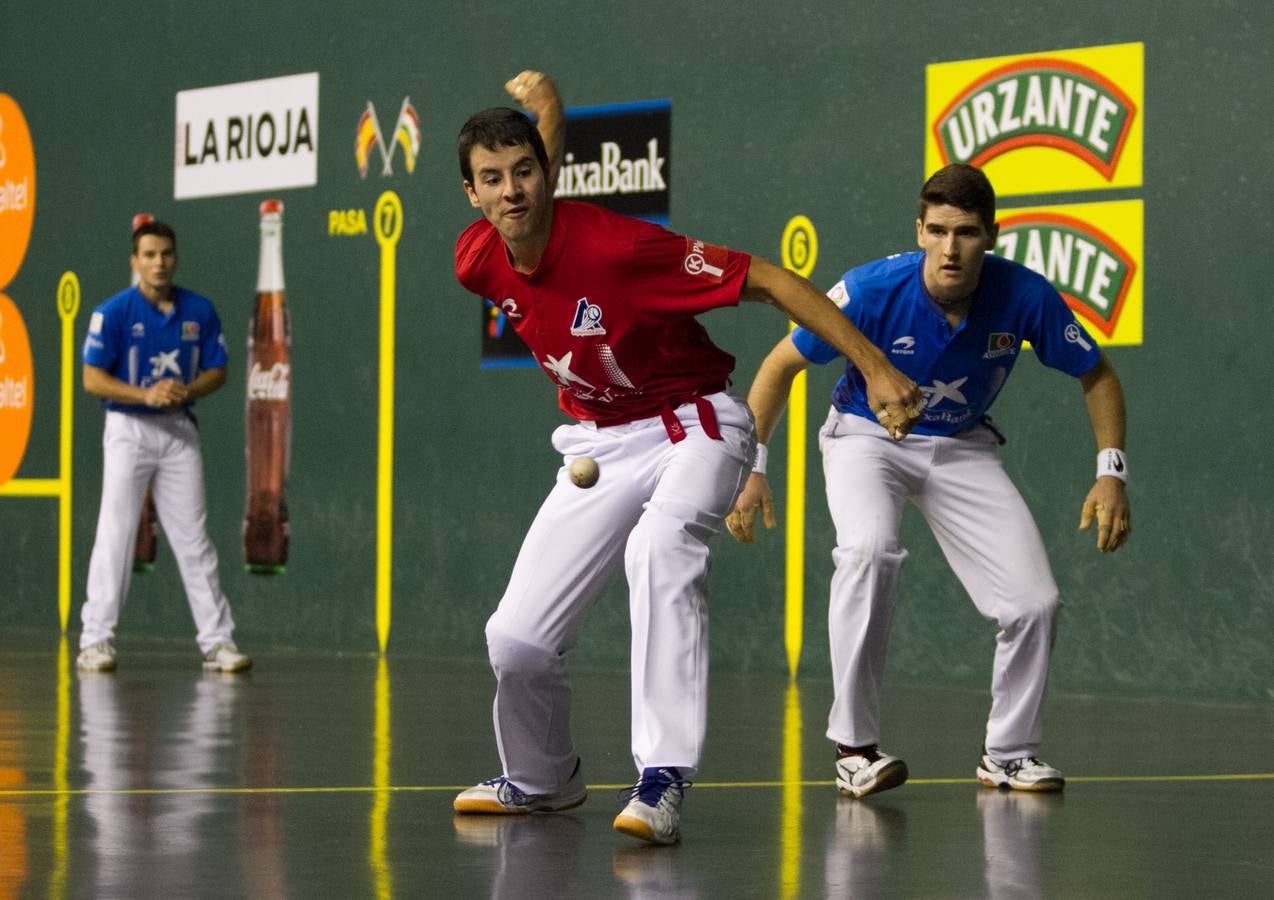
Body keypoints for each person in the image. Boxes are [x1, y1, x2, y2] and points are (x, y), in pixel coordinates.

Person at [450, 71, 922, 845]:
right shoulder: (479, 258)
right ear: (471, 194)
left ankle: (662, 778)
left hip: (692, 422)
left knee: (660, 547)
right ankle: (541, 779)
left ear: (548, 174)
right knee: (515, 640)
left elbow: (766, 279)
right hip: (597, 444)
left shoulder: (620, 246)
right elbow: (527, 199)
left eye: (526, 171)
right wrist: (547, 116)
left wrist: (872, 366)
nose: (513, 192)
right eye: (493, 180)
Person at [727, 163, 1130, 796]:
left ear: (990, 236)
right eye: (937, 230)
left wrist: (1111, 471)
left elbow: (1096, 373)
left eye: (966, 232)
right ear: (919, 231)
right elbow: (778, 368)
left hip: (962, 445)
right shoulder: (868, 291)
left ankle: (1008, 752)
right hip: (866, 437)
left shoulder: (1025, 295)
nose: (950, 248)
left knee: (1034, 602)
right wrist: (752, 467)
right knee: (867, 552)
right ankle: (855, 750)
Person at [77, 220, 250, 674]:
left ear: (175, 258)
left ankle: (217, 643)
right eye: (149, 255)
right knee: (116, 535)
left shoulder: (200, 310)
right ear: (135, 262)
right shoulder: (112, 313)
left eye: (166, 254)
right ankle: (95, 641)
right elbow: (92, 378)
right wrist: (145, 394)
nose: (159, 263)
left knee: (194, 540)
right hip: (127, 430)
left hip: (178, 432)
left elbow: (220, 370)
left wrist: (186, 391)